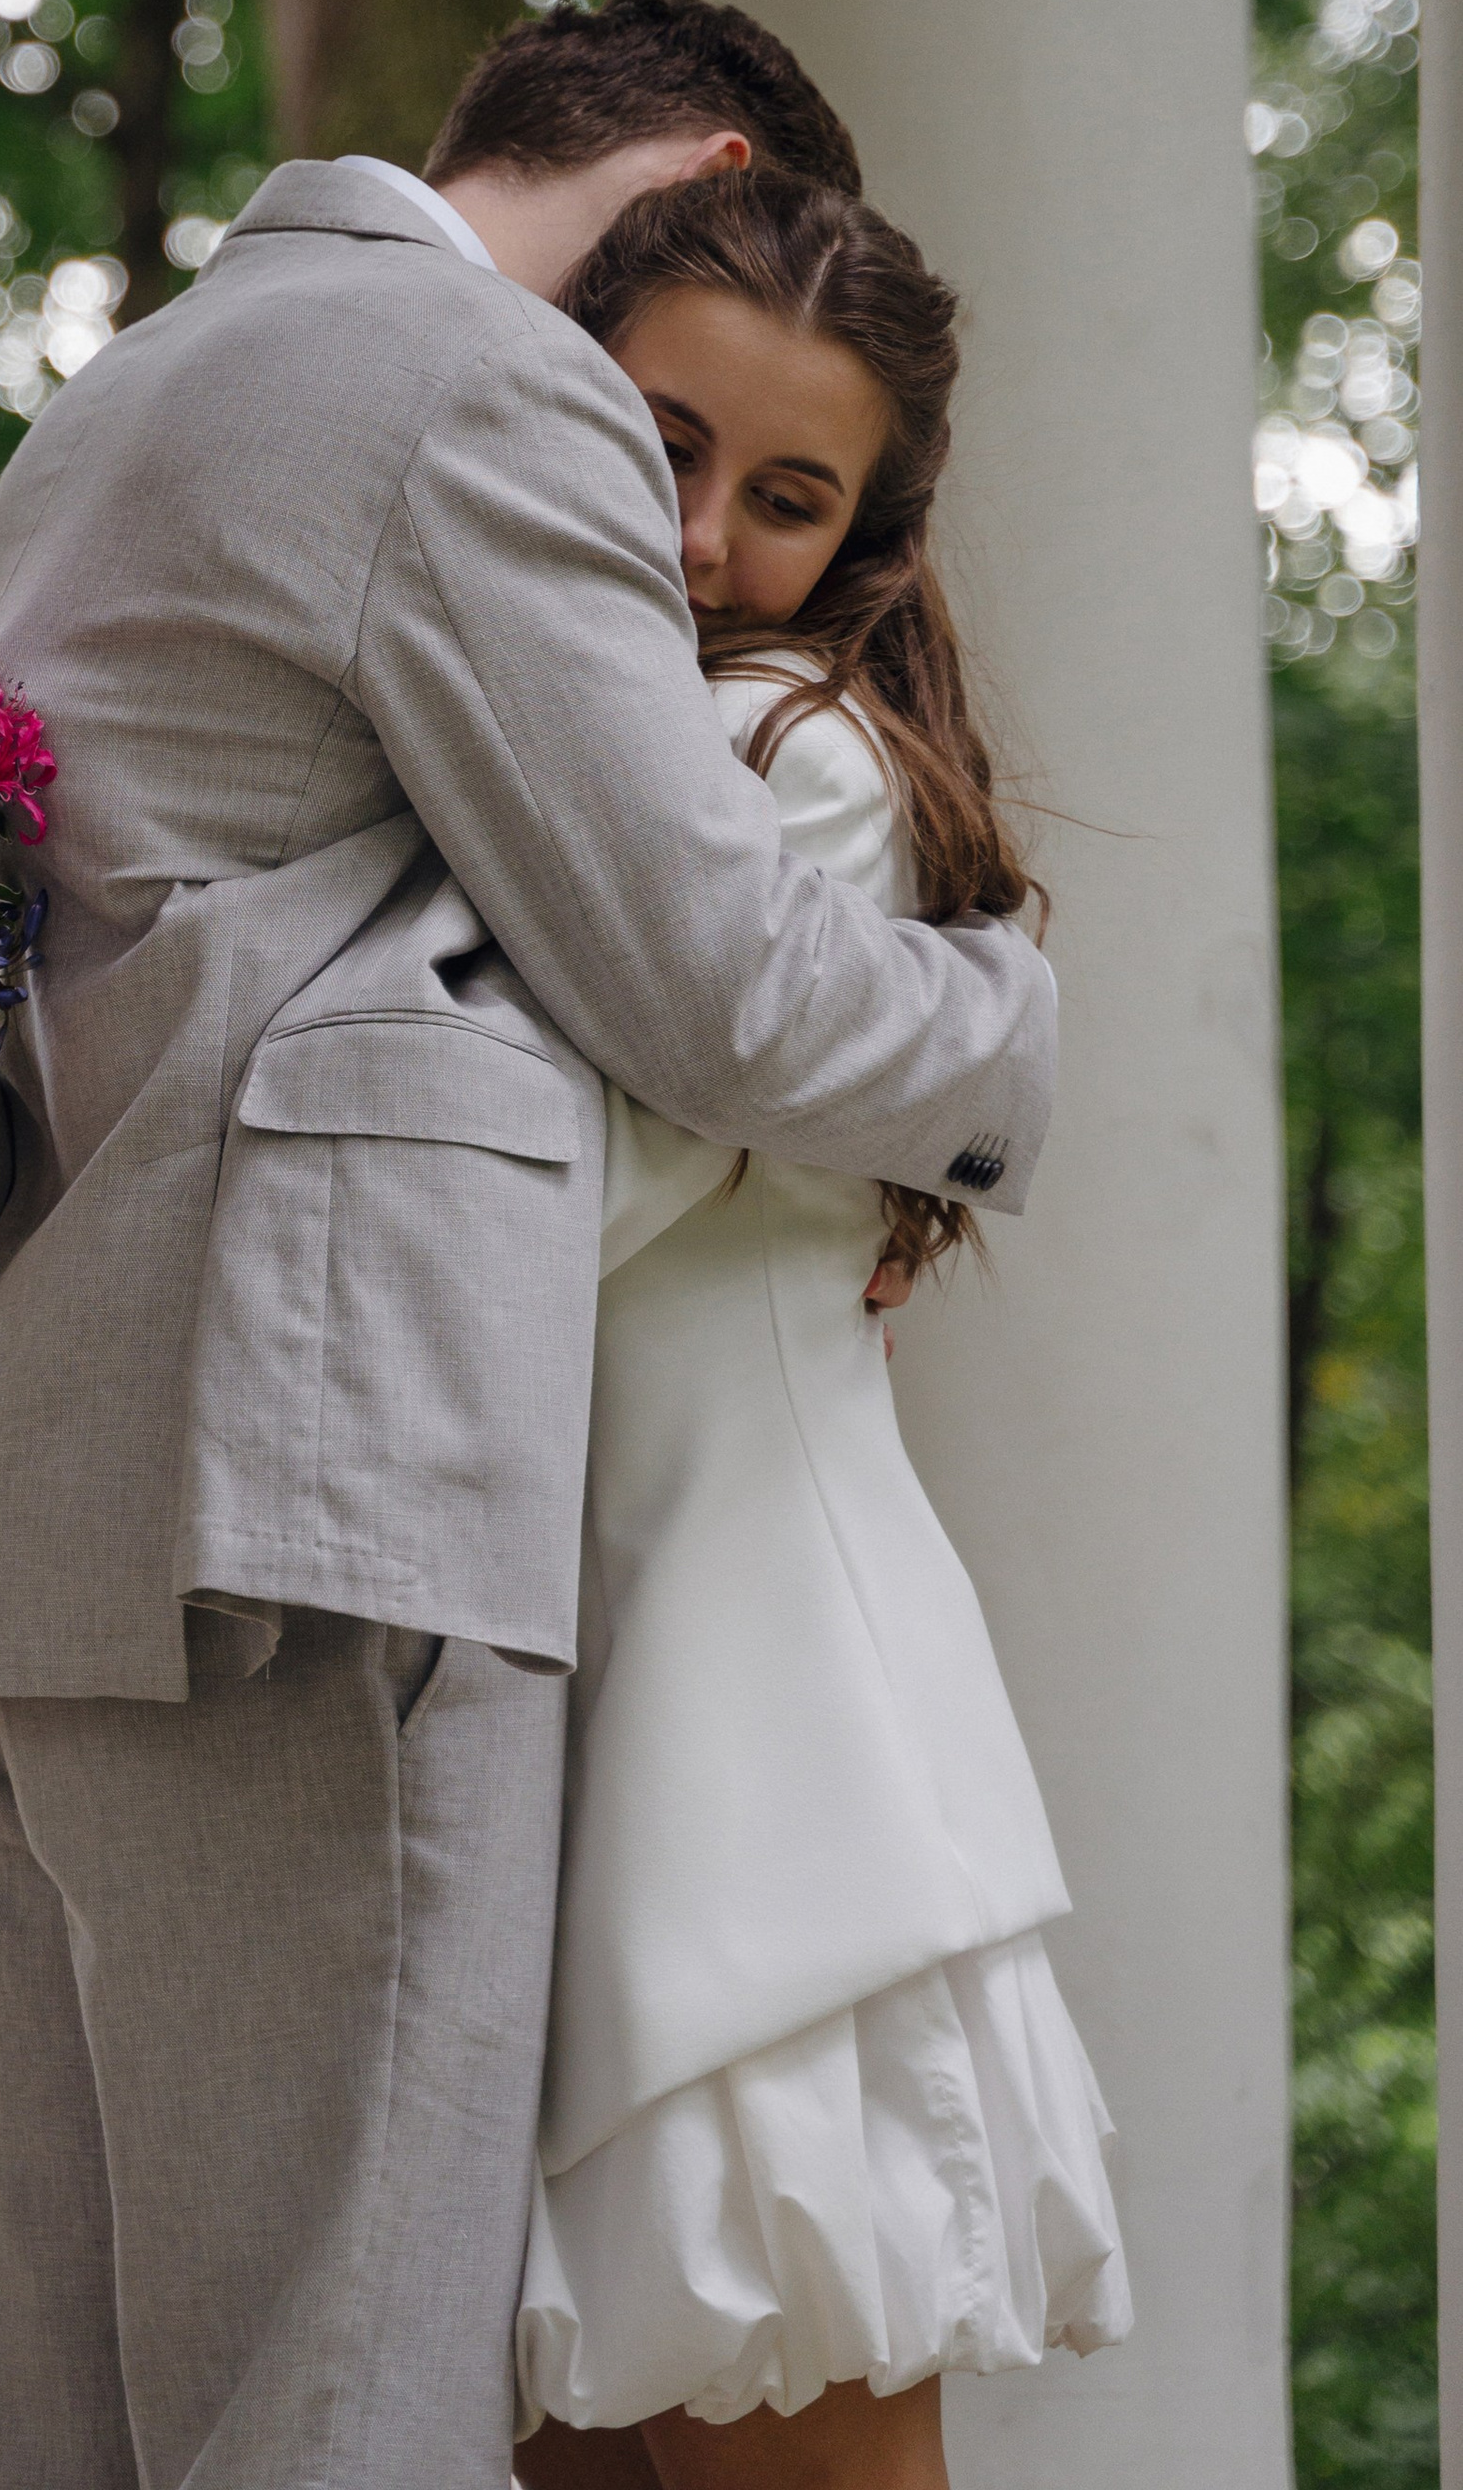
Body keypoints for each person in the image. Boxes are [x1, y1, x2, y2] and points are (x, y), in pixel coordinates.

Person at [0, 0, 1059, 2490]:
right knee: (332, 2412)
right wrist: (1000, 1042)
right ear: (694, 173)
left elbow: (43, 1025)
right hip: (305, 1510)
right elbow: (698, 974)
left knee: (111, 2427)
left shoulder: (114, 397)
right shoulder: (481, 391)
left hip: (30, 1514)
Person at [514, 172, 1129, 2490]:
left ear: (865, 536)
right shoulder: (600, 732)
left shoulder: (784, 761)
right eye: (656, 442)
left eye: (783, 495)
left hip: (748, 1739)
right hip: (587, 1696)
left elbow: (550, 1204)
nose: (697, 536)